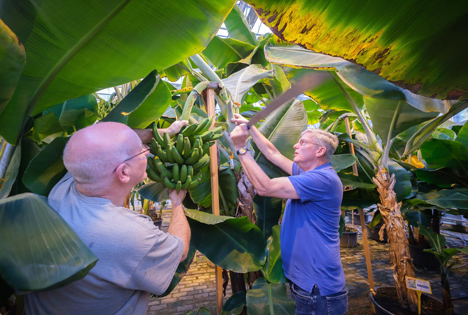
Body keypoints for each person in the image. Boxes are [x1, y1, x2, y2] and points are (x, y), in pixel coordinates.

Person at [24, 121, 191, 315]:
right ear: (124, 173)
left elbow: (98, 142)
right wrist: (177, 202)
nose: (147, 152)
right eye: (142, 151)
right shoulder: (131, 235)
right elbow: (181, 251)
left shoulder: (67, 184)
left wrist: (165, 133)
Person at [230, 114, 347, 315]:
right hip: (307, 284)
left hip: (317, 289)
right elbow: (272, 153)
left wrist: (241, 149)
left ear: (320, 150)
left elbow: (265, 187)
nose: (295, 145)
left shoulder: (322, 179)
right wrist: (251, 128)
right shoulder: (307, 174)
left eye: (302, 142)